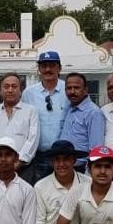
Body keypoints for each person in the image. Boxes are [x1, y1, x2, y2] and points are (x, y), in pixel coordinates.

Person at [0, 72, 39, 182]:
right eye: (6, 86)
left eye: (14, 86)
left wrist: (16, 166)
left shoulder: (31, 111)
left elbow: (32, 140)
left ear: (20, 90)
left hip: (23, 171)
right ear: (0, 91)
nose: (10, 90)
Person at [22, 51, 69, 181]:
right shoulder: (29, 93)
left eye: (52, 65)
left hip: (64, 156)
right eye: (44, 66)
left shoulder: (68, 90)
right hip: (39, 156)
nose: (48, 69)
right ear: (39, 69)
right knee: (39, 194)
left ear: (59, 68)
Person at [58, 72, 104, 171]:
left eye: (76, 88)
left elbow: (96, 148)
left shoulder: (93, 113)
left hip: (81, 169)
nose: (72, 91)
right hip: (65, 167)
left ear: (85, 90)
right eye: (69, 88)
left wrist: (89, 174)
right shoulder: (69, 108)